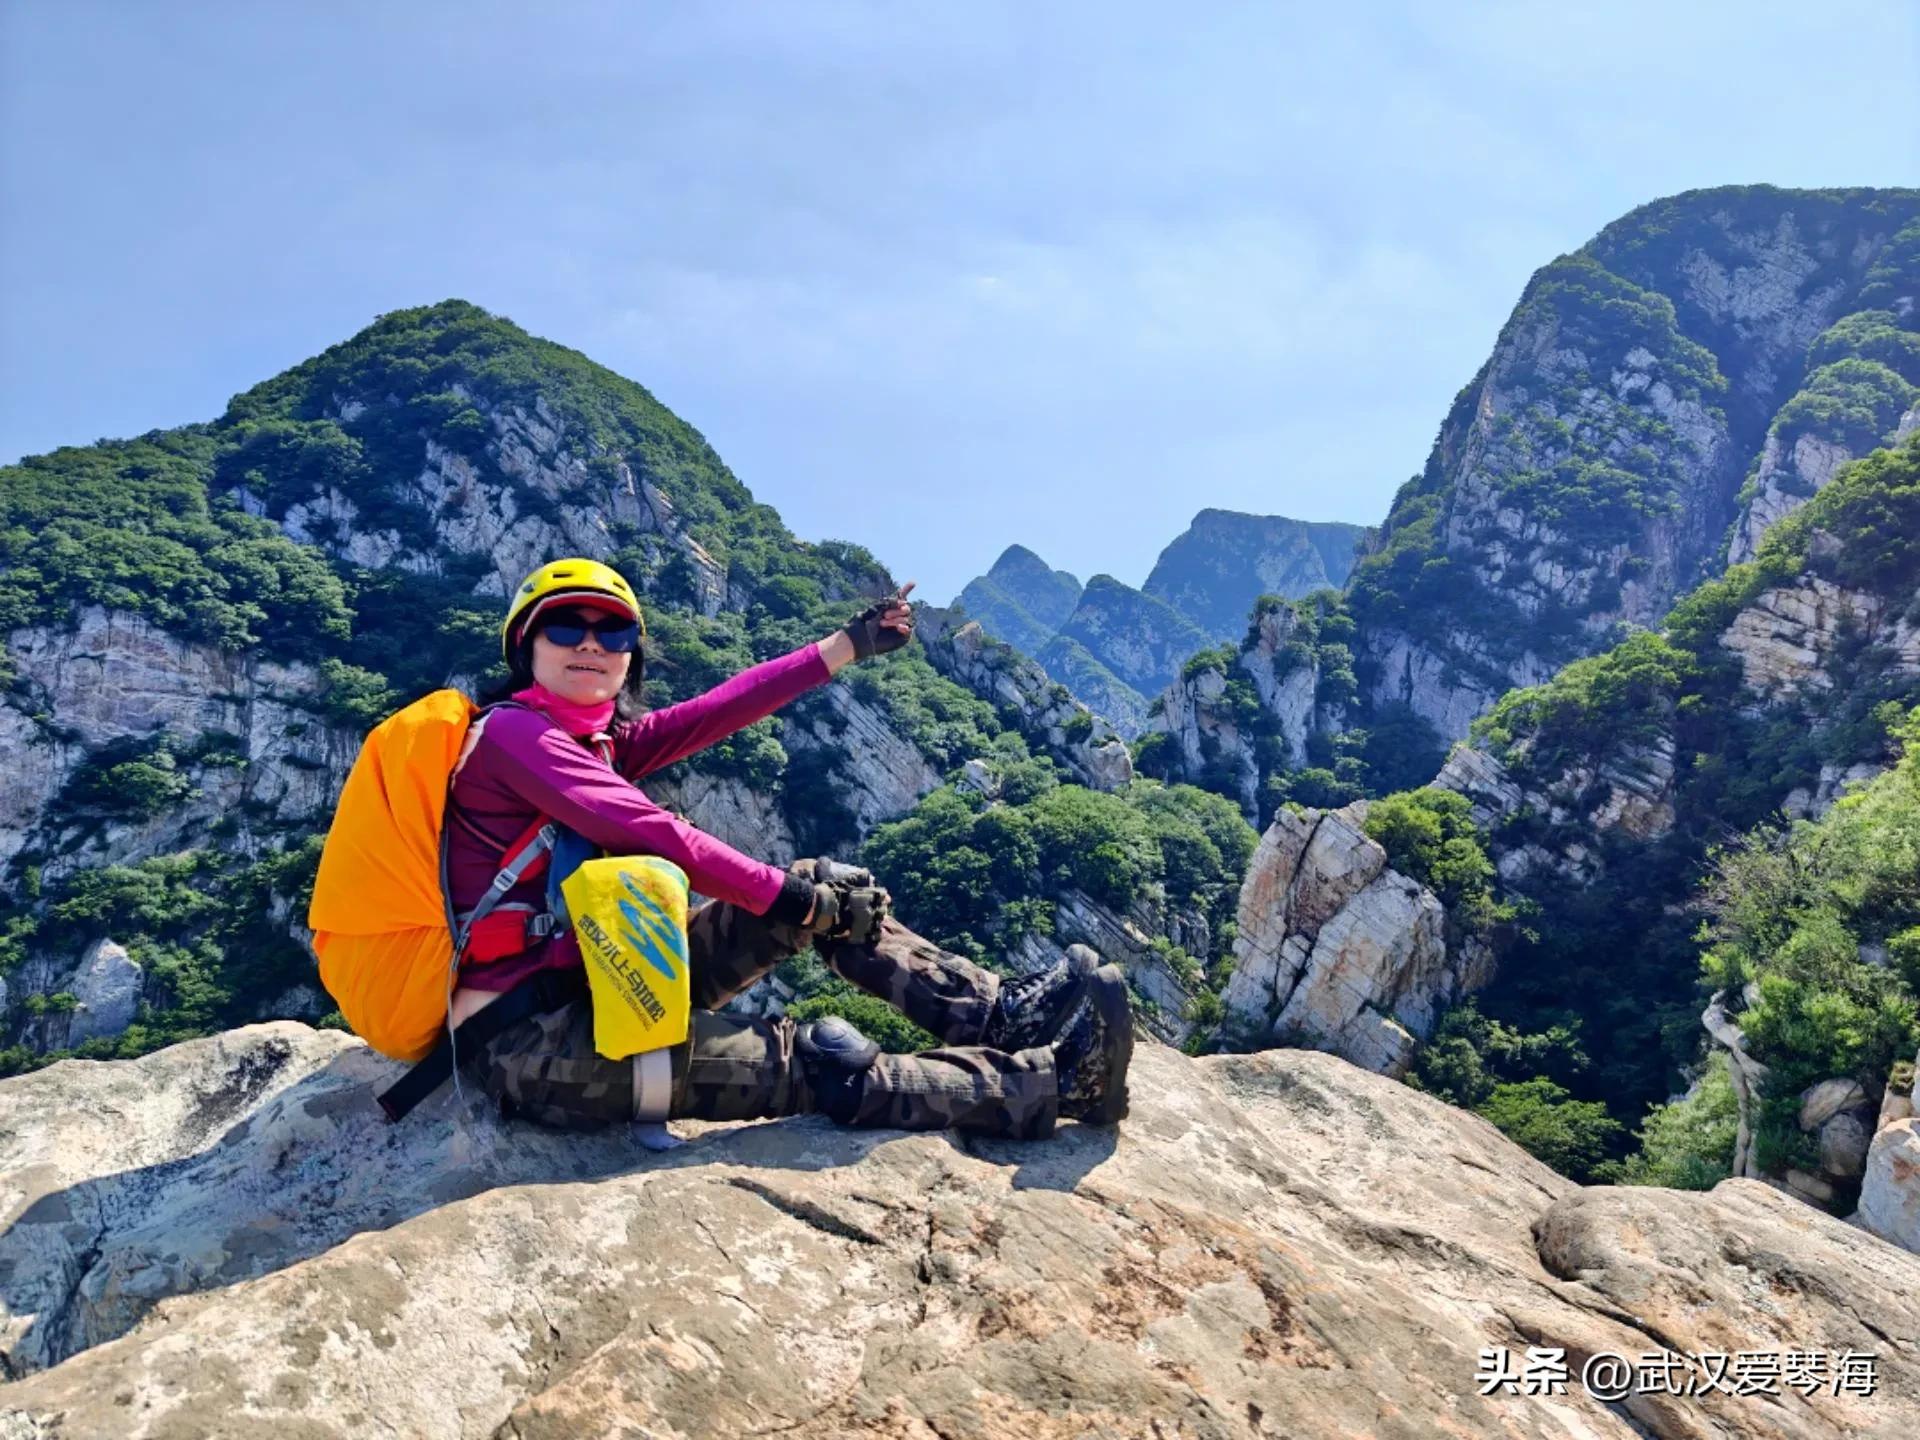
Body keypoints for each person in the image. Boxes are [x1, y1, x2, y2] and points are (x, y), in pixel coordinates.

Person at [441, 557, 1132, 1140]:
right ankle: (1051, 1086)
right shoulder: (511, 736)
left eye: (613, 631)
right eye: (566, 626)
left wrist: (848, 645)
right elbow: (653, 832)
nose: (591, 644)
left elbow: (719, 709)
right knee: (826, 1059)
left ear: (630, 656)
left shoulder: (598, 744)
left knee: (831, 888)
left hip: (612, 978)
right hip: (532, 1041)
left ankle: (998, 1016)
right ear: (525, 646)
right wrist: (796, 901)